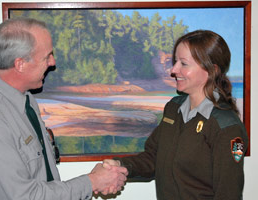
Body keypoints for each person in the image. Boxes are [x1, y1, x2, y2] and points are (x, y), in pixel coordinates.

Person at [0, 18, 128, 200]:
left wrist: (96, 179)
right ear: (20, 64)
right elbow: (23, 197)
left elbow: (43, 179)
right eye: (47, 56)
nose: (53, 62)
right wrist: (91, 182)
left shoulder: (26, 99)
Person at [104, 30, 249, 199]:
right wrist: (120, 166)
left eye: (183, 63)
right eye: (175, 62)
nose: (173, 70)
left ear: (211, 70)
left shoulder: (226, 127)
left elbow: (228, 195)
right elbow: (153, 158)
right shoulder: (173, 109)